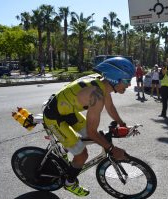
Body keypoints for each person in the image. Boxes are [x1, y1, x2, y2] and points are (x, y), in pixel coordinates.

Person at [43, 57, 135, 197]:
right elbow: (93, 133)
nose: (129, 85)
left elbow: (110, 107)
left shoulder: (104, 84)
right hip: (54, 116)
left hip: (67, 111)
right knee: (82, 154)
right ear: (116, 79)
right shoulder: (96, 95)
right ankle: (69, 183)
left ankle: (65, 146)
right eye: (127, 81)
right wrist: (112, 149)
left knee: (90, 137)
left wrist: (122, 124)